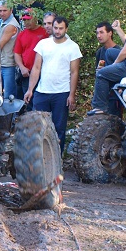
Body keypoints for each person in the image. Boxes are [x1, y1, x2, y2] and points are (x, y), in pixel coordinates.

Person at [24, 16, 82, 153]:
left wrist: (72, 95)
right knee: (37, 126)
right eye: (55, 27)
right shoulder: (43, 44)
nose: (57, 31)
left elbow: (74, 73)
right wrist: (30, 89)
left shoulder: (73, 47)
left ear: (66, 29)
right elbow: (36, 68)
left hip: (61, 93)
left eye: (60, 28)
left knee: (58, 129)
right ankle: (38, 159)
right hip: (42, 91)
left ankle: (57, 160)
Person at [13, 8, 48, 98]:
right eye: (24, 20)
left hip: (43, 73)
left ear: (36, 19)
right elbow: (17, 53)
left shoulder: (45, 33)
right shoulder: (22, 34)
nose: (26, 22)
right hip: (27, 73)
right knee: (28, 100)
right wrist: (22, 67)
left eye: (28, 19)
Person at [0, 0, 20, 99]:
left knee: (9, 96)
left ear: (11, 10)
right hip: (1, 63)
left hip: (9, 64)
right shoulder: (1, 22)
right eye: (0, 11)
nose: (2, 13)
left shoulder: (11, 25)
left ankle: (12, 115)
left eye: (4, 10)